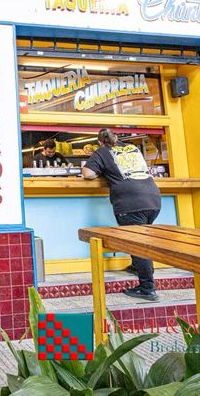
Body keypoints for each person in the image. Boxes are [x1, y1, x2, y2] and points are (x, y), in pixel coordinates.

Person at [81, 128, 161, 302]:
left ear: (99, 142)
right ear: (116, 137)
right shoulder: (133, 149)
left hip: (131, 202)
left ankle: (147, 288)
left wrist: (99, 171)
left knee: (138, 244)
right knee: (141, 239)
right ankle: (138, 267)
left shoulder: (102, 152)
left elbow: (87, 173)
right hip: (153, 199)